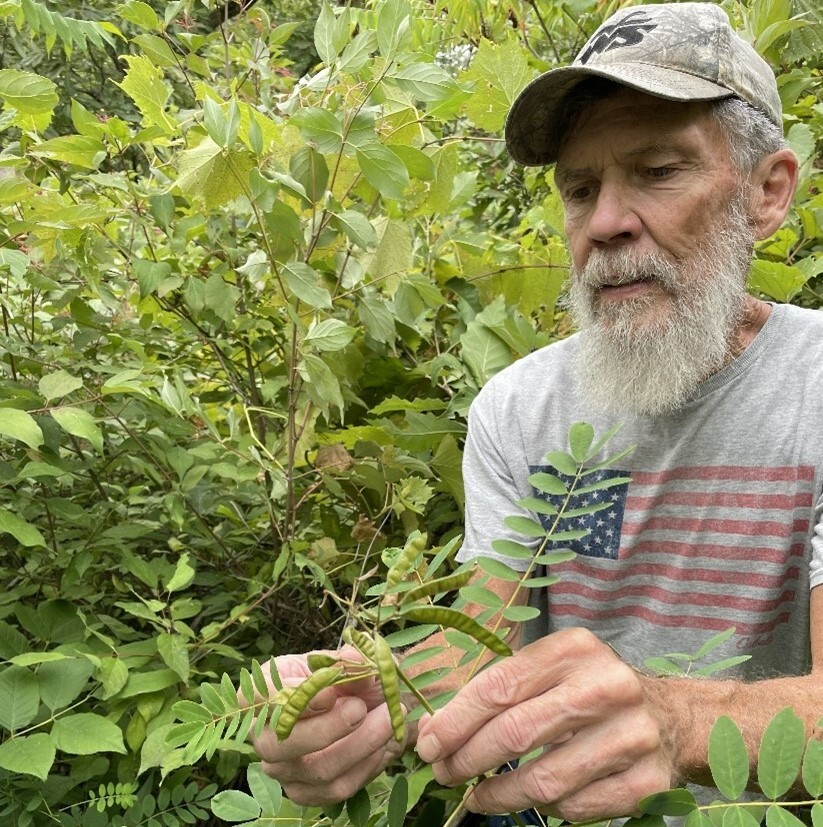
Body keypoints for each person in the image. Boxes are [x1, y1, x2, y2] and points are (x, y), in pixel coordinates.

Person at [252, 3, 823, 821]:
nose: (604, 223)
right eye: (579, 188)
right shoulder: (518, 409)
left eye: (658, 171)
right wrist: (371, 699)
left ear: (766, 194)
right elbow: (478, 649)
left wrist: (670, 721)